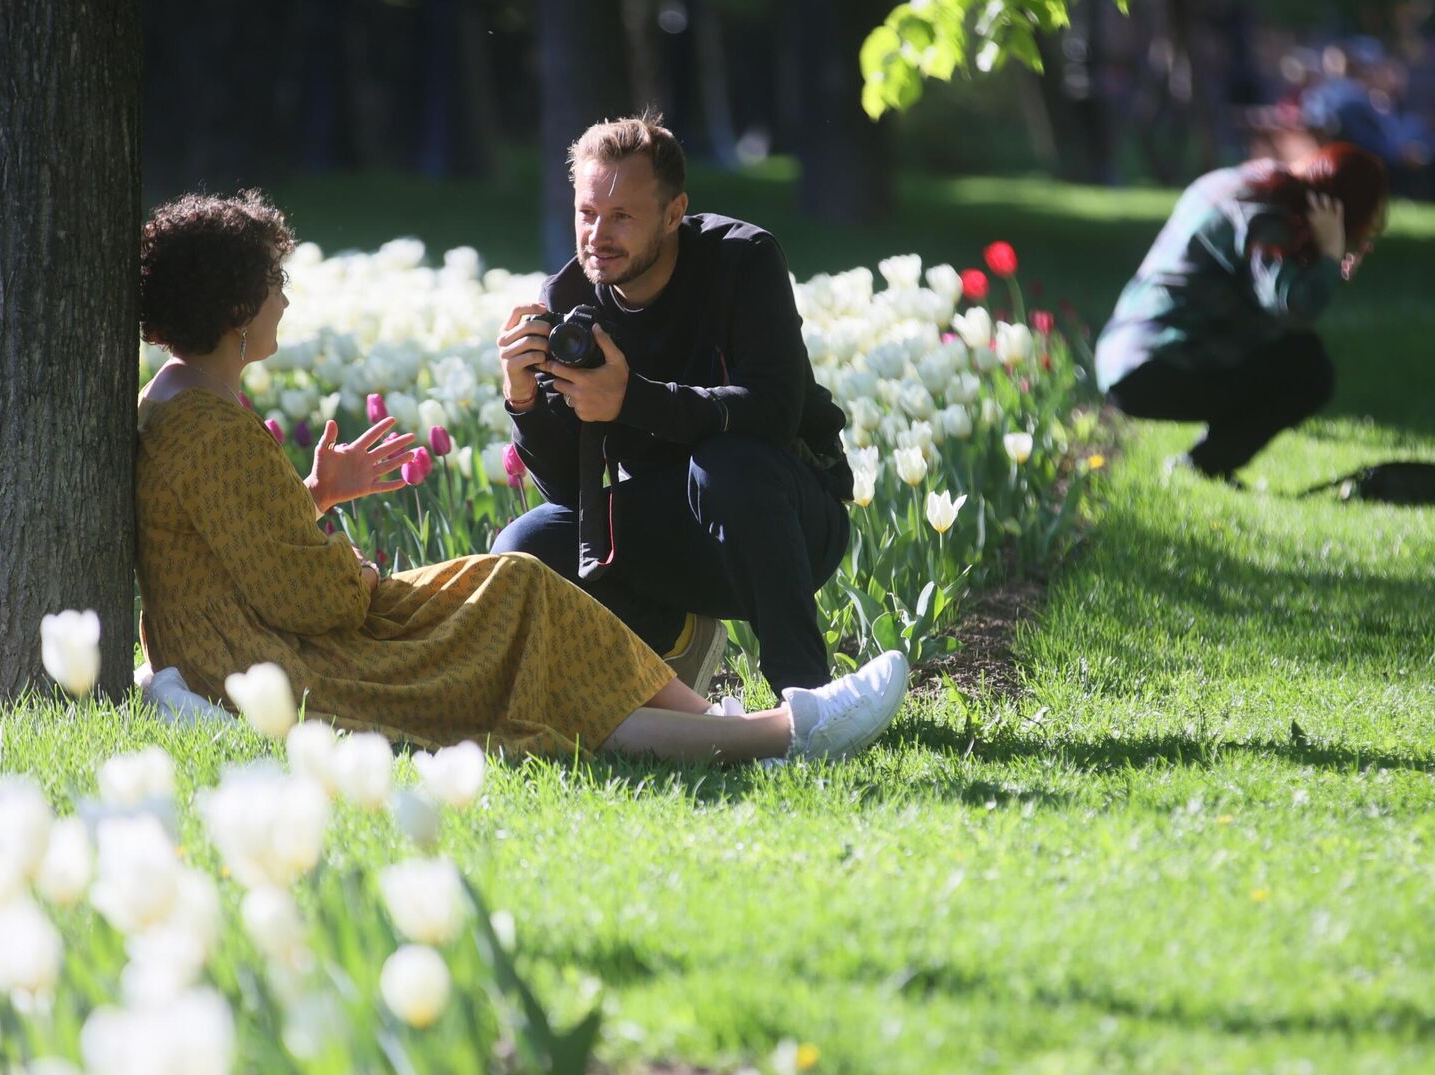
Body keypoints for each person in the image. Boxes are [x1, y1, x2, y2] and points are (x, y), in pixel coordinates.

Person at [131, 190, 910, 764]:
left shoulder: (188, 401)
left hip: (258, 641)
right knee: (518, 598)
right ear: (236, 307)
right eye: (273, 281)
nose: (285, 296)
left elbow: (241, 547)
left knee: (516, 585)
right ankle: (782, 733)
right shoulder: (206, 426)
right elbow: (310, 595)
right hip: (280, 663)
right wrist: (351, 566)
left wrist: (313, 497)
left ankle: (740, 727)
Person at [490, 115, 854, 698]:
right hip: (671, 527)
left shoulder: (742, 261)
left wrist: (631, 399)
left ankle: (805, 697)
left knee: (726, 464)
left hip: (787, 516)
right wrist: (523, 398)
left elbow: (774, 413)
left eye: (622, 217)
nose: (597, 236)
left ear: (673, 212)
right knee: (524, 549)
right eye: (587, 214)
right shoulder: (568, 301)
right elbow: (568, 491)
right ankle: (676, 637)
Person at [1095, 142, 1388, 481]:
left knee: (1291, 354)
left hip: (1126, 357)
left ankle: (1203, 464)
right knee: (1308, 369)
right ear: (1337, 210)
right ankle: (1202, 467)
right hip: (1157, 365)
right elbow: (1294, 307)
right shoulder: (1266, 215)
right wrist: (1330, 256)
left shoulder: (1242, 182)